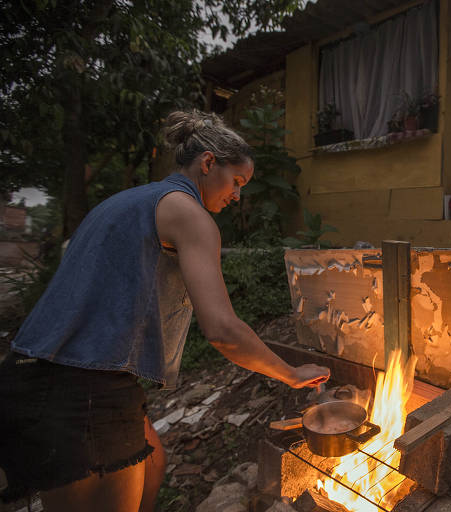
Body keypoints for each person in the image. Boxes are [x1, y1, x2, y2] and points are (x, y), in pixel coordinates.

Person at [0, 110, 330, 511]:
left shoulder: (127, 201)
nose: (238, 194)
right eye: (237, 181)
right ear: (208, 163)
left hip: (40, 372)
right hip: (81, 387)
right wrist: (291, 374)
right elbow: (223, 330)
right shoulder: (190, 214)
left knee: (153, 463)